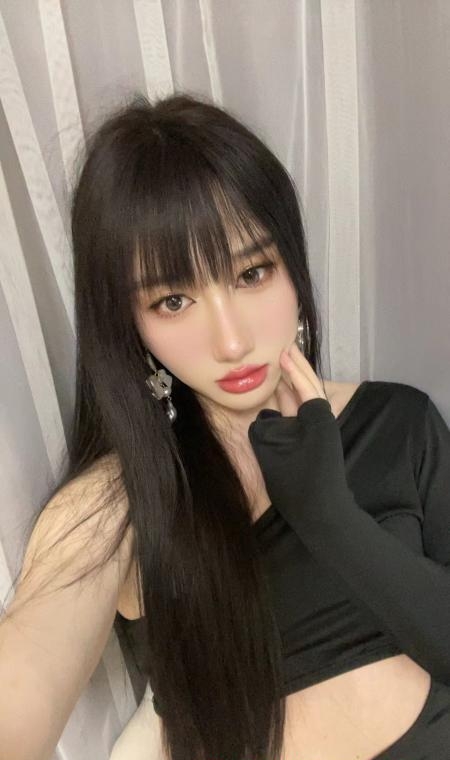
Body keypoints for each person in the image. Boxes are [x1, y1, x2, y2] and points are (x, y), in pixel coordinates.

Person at [0, 92, 449, 760]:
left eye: (252, 272)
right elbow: (26, 679)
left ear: (293, 265)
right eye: (173, 300)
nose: (232, 341)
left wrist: (330, 516)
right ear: (129, 322)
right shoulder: (119, 501)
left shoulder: (397, 423)